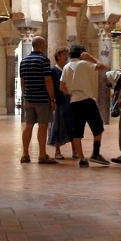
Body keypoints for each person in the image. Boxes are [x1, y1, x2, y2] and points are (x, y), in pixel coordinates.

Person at [60, 44, 110, 167]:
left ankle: (82, 158)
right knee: (98, 128)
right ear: (82, 54)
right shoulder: (84, 64)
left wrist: (71, 92)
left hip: (74, 102)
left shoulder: (66, 67)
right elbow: (104, 67)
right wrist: (90, 57)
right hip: (87, 100)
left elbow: (61, 87)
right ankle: (96, 153)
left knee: (77, 131)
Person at [17, 36, 58, 164]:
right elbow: (48, 81)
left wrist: (25, 97)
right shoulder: (43, 60)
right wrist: (52, 99)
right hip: (42, 99)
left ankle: (25, 154)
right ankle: (42, 154)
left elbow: (22, 82)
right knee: (43, 125)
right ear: (42, 45)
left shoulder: (23, 61)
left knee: (28, 126)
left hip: (29, 99)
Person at [47, 47, 74, 159]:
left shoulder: (68, 69)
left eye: (67, 54)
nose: (66, 57)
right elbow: (52, 87)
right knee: (57, 126)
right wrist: (52, 100)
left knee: (72, 125)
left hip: (70, 101)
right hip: (59, 102)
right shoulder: (53, 71)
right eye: (64, 54)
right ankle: (57, 151)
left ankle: (75, 150)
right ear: (58, 56)